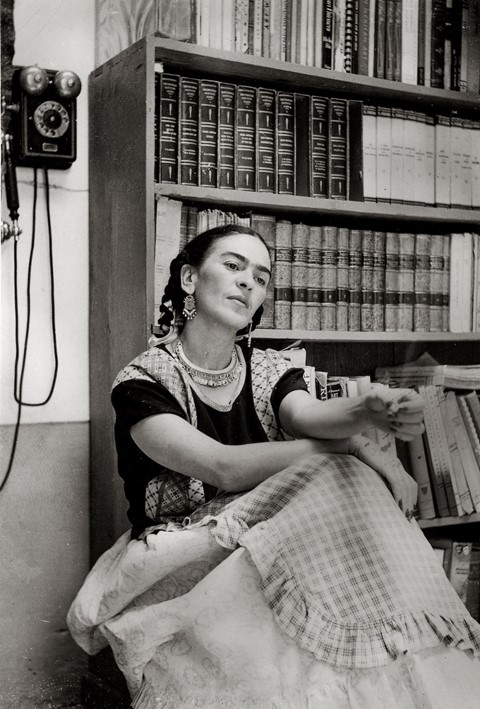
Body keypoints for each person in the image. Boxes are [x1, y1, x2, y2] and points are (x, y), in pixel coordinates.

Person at [68, 224, 480, 708]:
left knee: (345, 480)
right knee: (338, 471)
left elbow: (306, 416)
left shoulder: (267, 369)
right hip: (182, 551)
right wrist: (354, 445)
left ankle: (400, 656)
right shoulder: (142, 382)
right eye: (233, 266)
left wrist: (365, 410)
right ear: (188, 279)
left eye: (261, 278)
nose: (248, 283)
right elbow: (223, 467)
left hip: (266, 535)